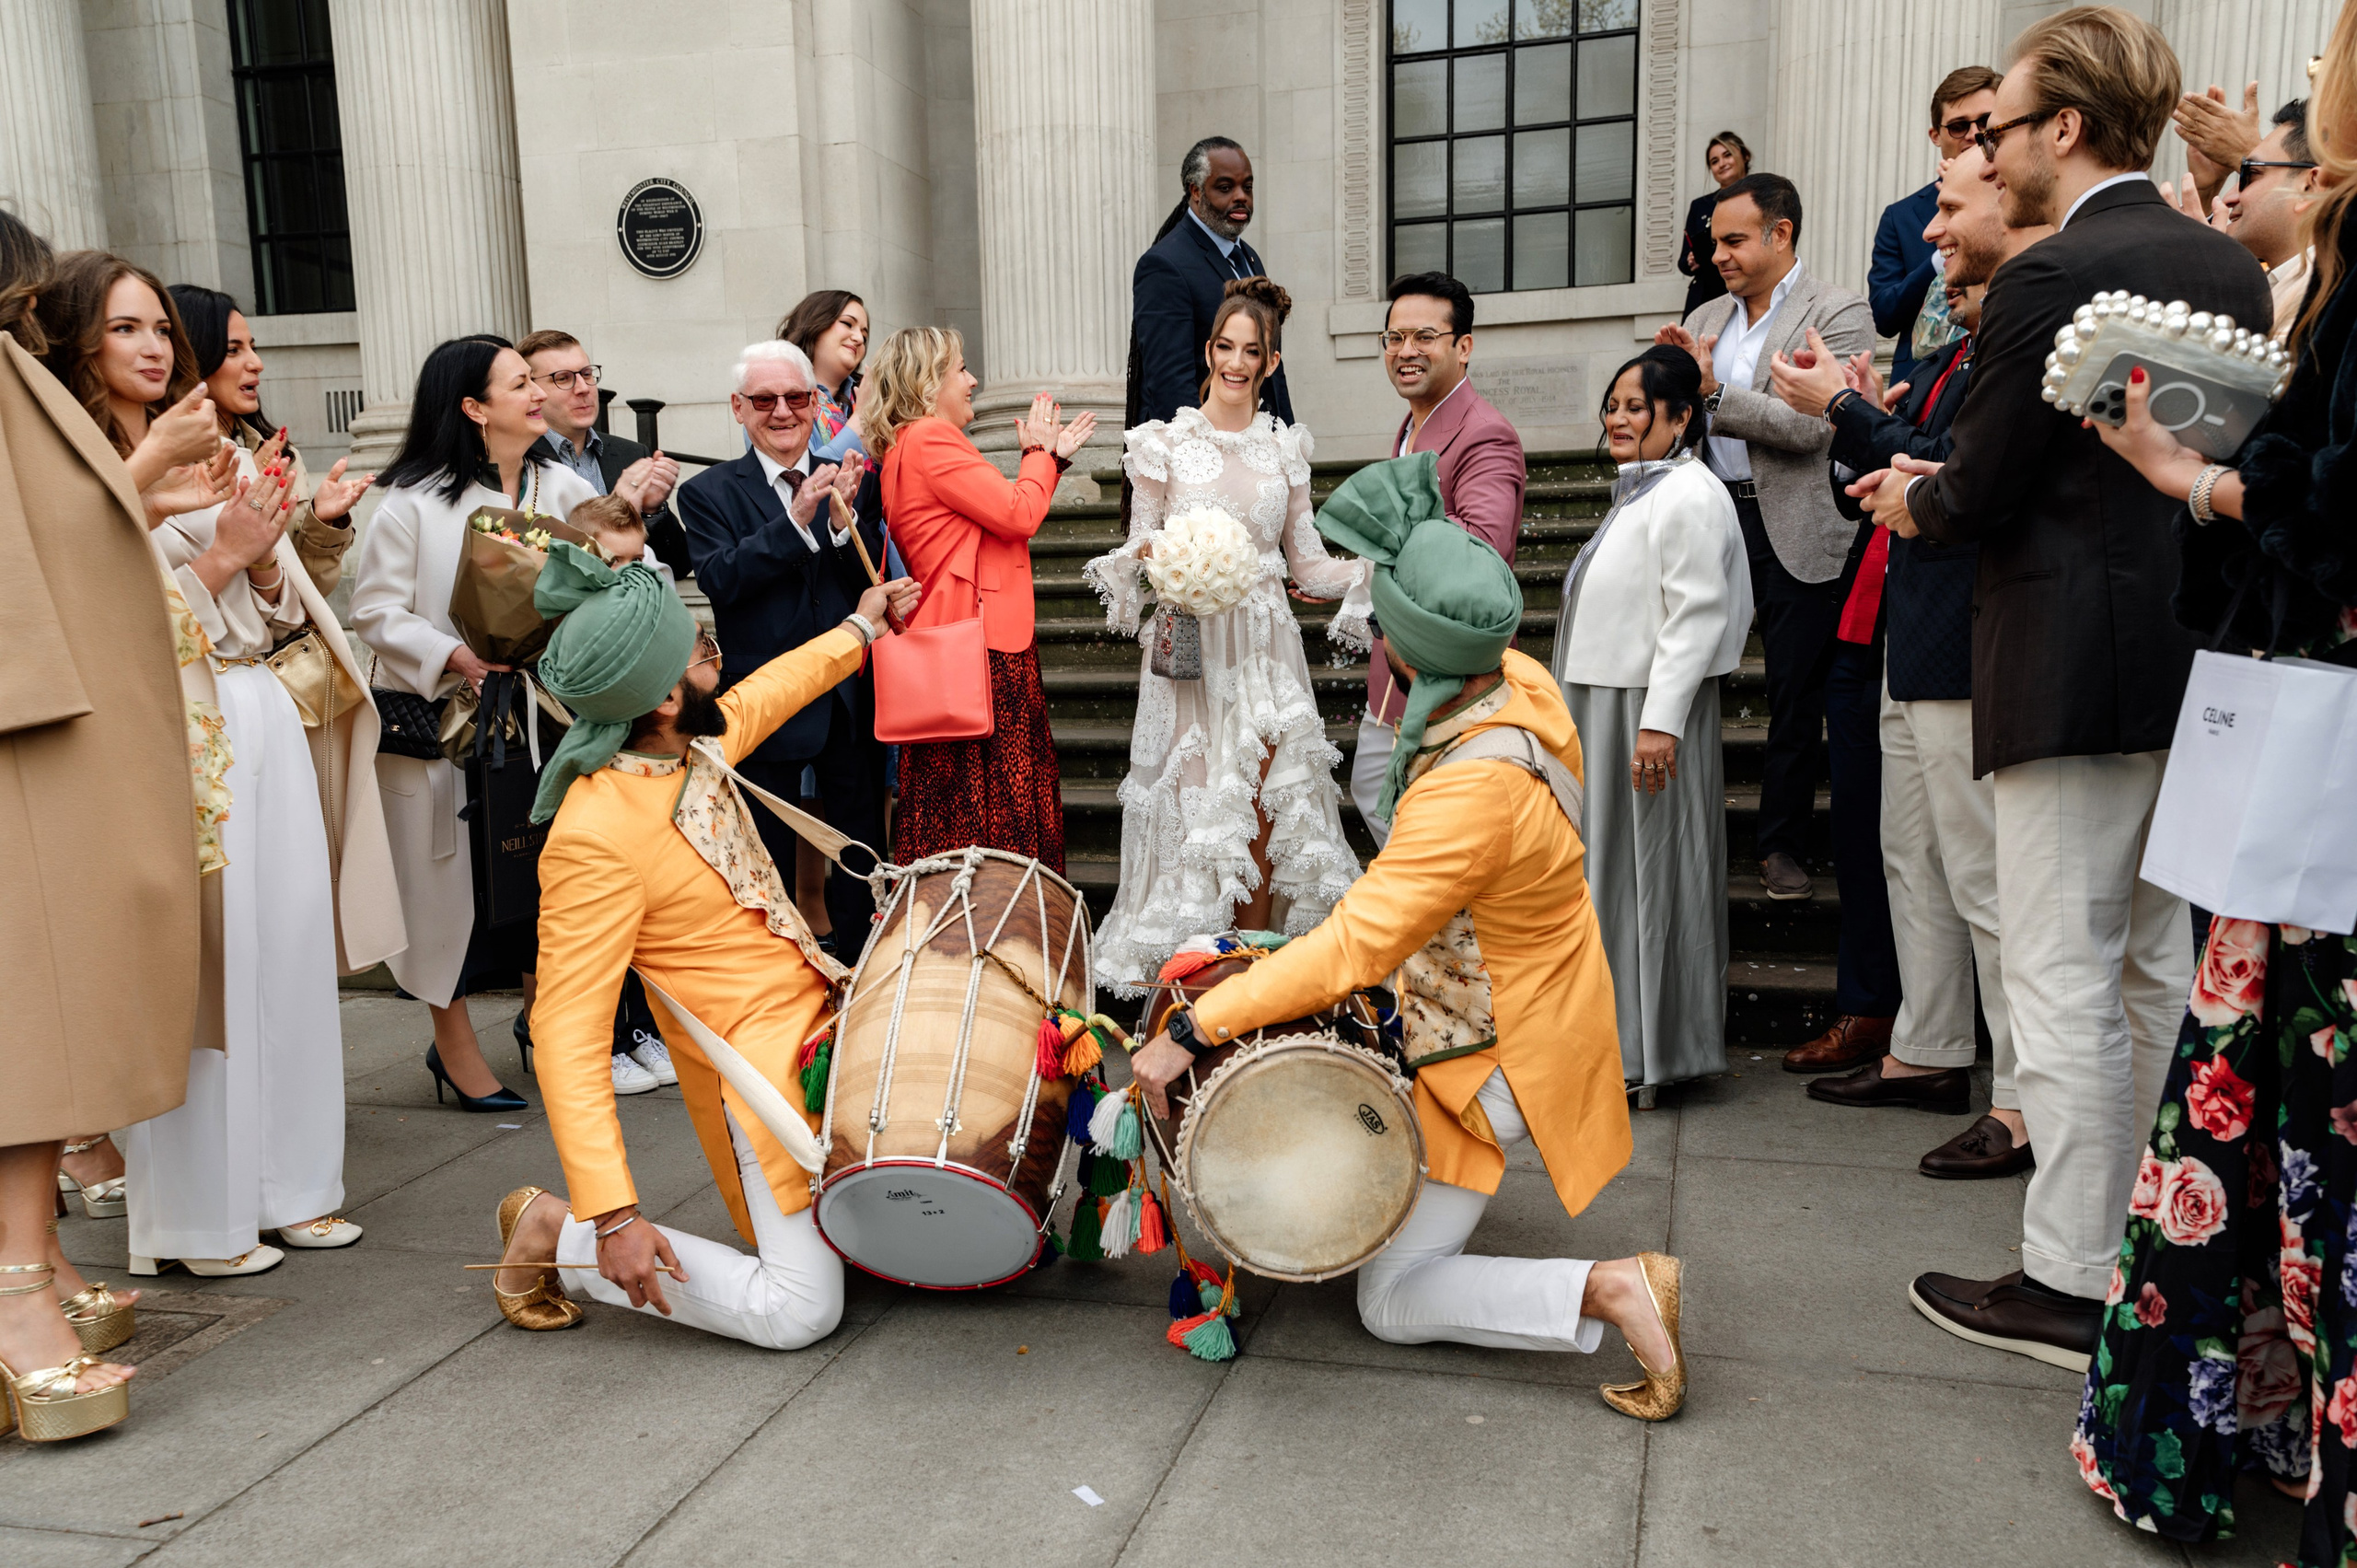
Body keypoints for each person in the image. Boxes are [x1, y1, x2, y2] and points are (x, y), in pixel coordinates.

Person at [1852, 5, 2272, 1369]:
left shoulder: (2051, 275)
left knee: (2056, 973)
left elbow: (1985, 490)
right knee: (2155, 965)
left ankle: (2069, 1274)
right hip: (2189, 663)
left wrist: (1914, 501)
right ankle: (2161, 1247)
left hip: (2061, 662)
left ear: (2066, 129)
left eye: (2001, 127)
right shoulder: (2225, 263)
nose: (1988, 146)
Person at [1130, 455, 1685, 1420]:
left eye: (1383, 621)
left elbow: (1353, 949)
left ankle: (1609, 1286)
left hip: (1493, 1050)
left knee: (1388, 1300)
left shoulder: (1474, 789)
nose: (1371, 632)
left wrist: (1192, 1028)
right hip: (1486, 1005)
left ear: (1416, 648)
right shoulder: (1508, 677)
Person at [2072, 25, 2357, 1558]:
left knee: (2293, 1104)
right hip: (2309, 724)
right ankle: (2270, 1424)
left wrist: (2199, 477)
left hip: (2329, 752)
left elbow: (2335, 496)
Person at [486, 529, 920, 1346]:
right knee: (801, 1313)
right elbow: (566, 1032)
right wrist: (611, 1214)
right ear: (658, 698)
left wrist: (863, 627)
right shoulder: (594, 833)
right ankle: (555, 1230)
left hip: (825, 1029)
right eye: (701, 652)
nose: (716, 658)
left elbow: (774, 689)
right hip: (755, 1084)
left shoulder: (690, 743)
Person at [109, 277, 408, 1276]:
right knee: (207, 973)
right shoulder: (88, 464)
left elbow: (282, 608)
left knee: (284, 954)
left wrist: (268, 555)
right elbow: (112, 621)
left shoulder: (218, 451)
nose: (158, 350)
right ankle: (203, 1219)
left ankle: (296, 1186)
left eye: (162, 331)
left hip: (260, 711)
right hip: (177, 725)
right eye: (126, 329)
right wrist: (231, 556)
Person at [1775, 145, 2050, 1178]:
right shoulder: (1952, 351)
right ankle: (1926, 1049)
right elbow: (1898, 450)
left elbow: (1952, 472)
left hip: (1963, 640)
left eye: (1963, 271)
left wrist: (1844, 411)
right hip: (1904, 628)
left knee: (1984, 881)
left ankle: (2021, 1099)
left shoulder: (2006, 347)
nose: (1943, 271)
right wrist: (1857, 410)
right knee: (1911, 863)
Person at [0, 215, 208, 1441]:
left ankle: (32, 1277)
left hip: (52, 719)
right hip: (35, 725)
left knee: (48, 1022)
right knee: (39, 1028)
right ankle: (19, 1297)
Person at [1656, 171, 1899, 1075]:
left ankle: (1781, 841)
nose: (1719, 256)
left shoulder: (1837, 314)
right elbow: (1681, 417)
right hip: (1711, 513)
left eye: (1734, 240)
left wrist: (1717, 393)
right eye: (1714, 243)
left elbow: (1814, 432)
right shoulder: (1711, 320)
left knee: (1796, 683)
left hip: (1797, 520)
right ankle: (1700, 830)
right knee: (1702, 669)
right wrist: (1678, 387)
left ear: (1781, 234)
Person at [1085, 278, 1370, 987]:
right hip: (1192, 651)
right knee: (1201, 803)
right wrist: (1168, 562)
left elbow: (1306, 561)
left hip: (1266, 652)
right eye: (1226, 346)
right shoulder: (1163, 444)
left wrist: (1371, 570)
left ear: (1271, 362)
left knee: (1270, 803)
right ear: (1209, 351)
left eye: (1253, 351)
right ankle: (1196, 980)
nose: (1237, 362)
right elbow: (1136, 546)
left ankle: (1261, 976)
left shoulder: (1284, 449)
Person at [353, 336, 605, 1112]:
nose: (540, 393)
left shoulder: (559, 486)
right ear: (473, 407)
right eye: (521, 382)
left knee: (545, 875)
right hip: (449, 725)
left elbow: (608, 574)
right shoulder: (410, 503)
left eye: (539, 380)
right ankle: (454, 1043)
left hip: (542, 714)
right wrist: (457, 654)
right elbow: (373, 612)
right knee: (446, 889)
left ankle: (547, 1023)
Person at [1553, 347, 1749, 1092]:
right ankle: (1611, 1039)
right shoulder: (1642, 491)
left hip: (1646, 712)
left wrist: (1660, 721)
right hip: (1606, 703)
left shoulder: (1690, 494)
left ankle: (1651, 1052)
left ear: (1680, 417)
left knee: (1652, 875)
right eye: (1614, 404)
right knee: (1609, 876)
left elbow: (1698, 615)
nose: (1618, 418)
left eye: (1636, 407)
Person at [675, 340, 885, 955]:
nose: (783, 412)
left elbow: (859, 581)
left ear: (816, 403)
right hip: (761, 701)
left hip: (846, 697)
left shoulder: (844, 475)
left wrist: (847, 535)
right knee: (763, 850)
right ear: (739, 408)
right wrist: (795, 522)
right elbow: (721, 579)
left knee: (858, 848)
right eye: (765, 400)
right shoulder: (708, 493)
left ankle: (860, 970)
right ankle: (779, 978)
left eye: (797, 397)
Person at [868, 325, 1092, 871]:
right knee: (995, 807)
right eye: (960, 369)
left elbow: (995, 519)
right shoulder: (930, 438)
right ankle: (1003, 929)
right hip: (982, 649)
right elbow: (1019, 514)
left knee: (957, 805)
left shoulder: (903, 446)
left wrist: (1049, 462)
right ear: (928, 382)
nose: (972, 380)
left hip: (962, 642)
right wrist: (1039, 453)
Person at [1348, 272, 1527, 845]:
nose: (1405, 351)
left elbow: (1480, 551)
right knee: (1377, 796)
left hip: (1452, 674)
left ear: (1463, 345)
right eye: (1394, 338)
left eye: (1424, 336)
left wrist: (1383, 555)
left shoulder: (1486, 435)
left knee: (1433, 829)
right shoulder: (1411, 424)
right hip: (1399, 669)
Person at [1129, 136, 1294, 428]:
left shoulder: (1249, 258)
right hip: (1204, 454)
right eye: (1226, 188)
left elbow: (1272, 375)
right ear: (1195, 191)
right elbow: (1171, 385)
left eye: (1248, 187)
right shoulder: (1164, 266)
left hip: (1258, 446)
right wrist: (1206, 463)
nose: (1241, 196)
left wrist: (1287, 440)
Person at [518, 329, 688, 575]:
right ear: (533, 390)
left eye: (587, 374)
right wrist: (621, 508)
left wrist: (652, 512)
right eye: (563, 378)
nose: (583, 388)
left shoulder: (630, 454)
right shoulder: (521, 460)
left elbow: (679, 566)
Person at [1873, 67, 2001, 386]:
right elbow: (1884, 316)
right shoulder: (1901, 216)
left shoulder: (2025, 199)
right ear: (1936, 136)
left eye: (1985, 122)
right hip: (1921, 381)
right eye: (1959, 126)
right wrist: (1940, 256)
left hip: (1997, 367)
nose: (1974, 134)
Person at [2220, 100, 2321, 340]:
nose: (2229, 197)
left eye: (2250, 174)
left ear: (2309, 187)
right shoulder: (2284, 280)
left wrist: (2214, 273)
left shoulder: (2320, 296)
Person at [775, 291, 870, 464]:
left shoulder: (870, 397)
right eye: (848, 324)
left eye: (864, 335)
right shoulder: (774, 399)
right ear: (815, 323)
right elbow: (798, 478)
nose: (859, 339)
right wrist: (859, 421)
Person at [1679, 132, 1749, 318]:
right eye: (1714, 161)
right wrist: (1691, 260)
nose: (1722, 164)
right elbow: (1683, 262)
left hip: (1747, 291)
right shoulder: (1700, 205)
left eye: (1727, 155)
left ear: (1744, 155)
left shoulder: (1762, 198)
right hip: (1706, 296)